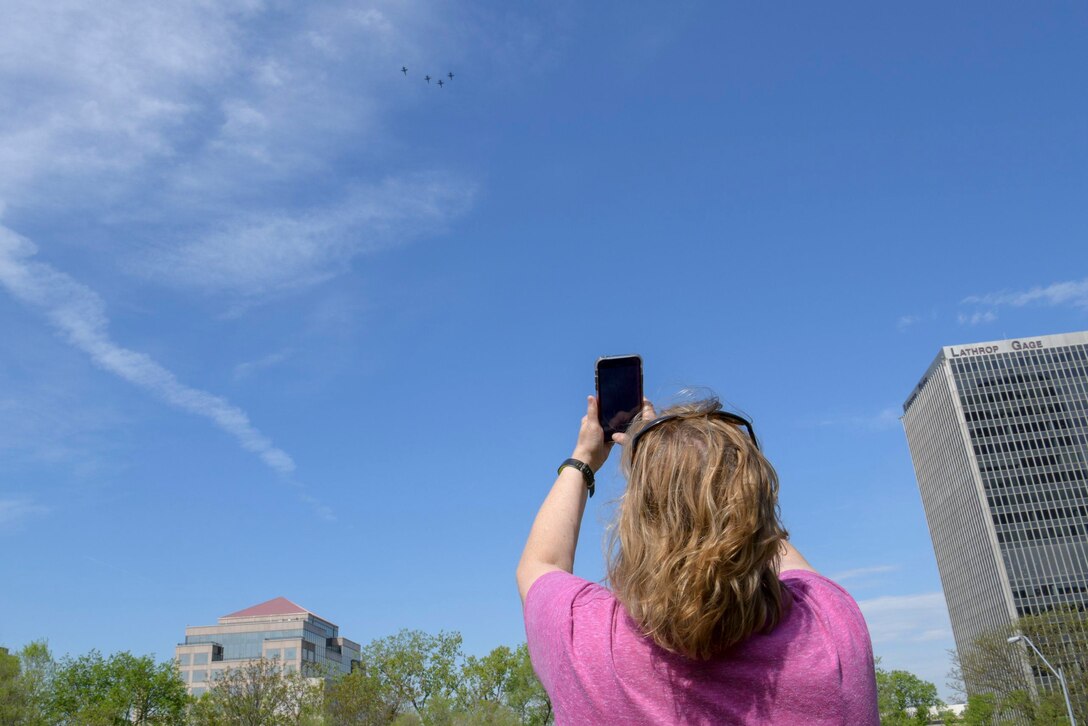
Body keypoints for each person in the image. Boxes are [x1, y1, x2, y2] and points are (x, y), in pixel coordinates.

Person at [517, 395, 879, 725]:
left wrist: (583, 459)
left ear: (636, 522)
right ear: (756, 510)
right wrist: (721, 486)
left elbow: (540, 564)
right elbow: (764, 538)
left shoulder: (589, 647)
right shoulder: (831, 628)